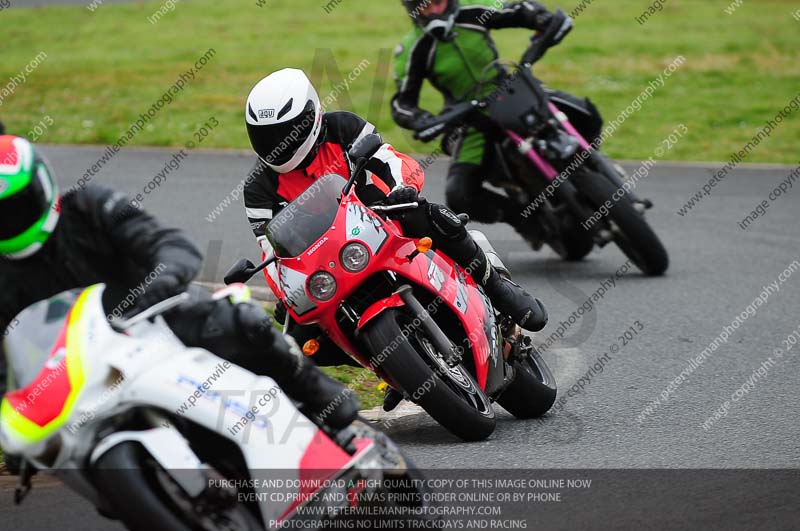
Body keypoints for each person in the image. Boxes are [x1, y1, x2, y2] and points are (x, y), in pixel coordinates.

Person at [0, 134, 359, 438]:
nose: (13, 220)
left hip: (155, 319)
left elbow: (169, 243)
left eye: (20, 204)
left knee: (243, 322)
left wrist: (163, 280)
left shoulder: (88, 206)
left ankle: (315, 393)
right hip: (88, 375)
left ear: (43, 182)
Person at [243, 69, 548, 407]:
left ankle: (498, 288)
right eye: (266, 136)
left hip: (383, 220)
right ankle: (389, 364)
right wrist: (285, 292)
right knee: (298, 333)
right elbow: (269, 251)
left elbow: (391, 159)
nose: (276, 144)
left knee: (424, 212)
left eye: (285, 132)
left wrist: (402, 188)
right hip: (329, 263)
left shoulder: (342, 127)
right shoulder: (258, 188)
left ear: (311, 116)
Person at [392, 0, 603, 236]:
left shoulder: (474, 11)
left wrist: (539, 18)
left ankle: (596, 166)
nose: (433, 11)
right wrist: (420, 120)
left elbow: (520, 10)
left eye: (437, 2)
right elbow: (402, 103)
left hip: (513, 91)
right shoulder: (412, 48)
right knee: (459, 195)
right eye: (424, 6)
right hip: (470, 117)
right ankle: (525, 218)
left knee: (586, 112)